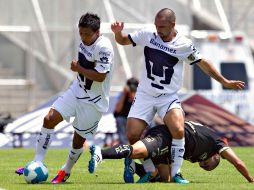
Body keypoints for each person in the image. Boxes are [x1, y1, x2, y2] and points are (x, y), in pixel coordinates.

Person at [110, 8, 245, 183]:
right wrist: (118, 33)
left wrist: (224, 81)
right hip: (145, 94)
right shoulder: (148, 34)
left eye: (162, 26)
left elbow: (203, 63)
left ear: (173, 25)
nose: (158, 30)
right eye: (156, 25)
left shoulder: (184, 44)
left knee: (178, 130)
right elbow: (122, 41)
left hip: (167, 96)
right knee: (132, 135)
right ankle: (150, 170)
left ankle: (176, 174)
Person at [15, 12, 114, 184]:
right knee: (49, 119)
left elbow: (100, 77)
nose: (83, 38)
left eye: (87, 34)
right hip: (76, 91)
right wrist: (79, 69)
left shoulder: (104, 47)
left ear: (98, 32)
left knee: (78, 138)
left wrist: (78, 69)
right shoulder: (84, 40)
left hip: (94, 102)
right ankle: (37, 161)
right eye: (81, 33)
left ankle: (65, 171)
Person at [88, 121, 254, 183]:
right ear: (217, 155)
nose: (203, 166)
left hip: (169, 149)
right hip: (165, 136)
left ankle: (133, 165)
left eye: (204, 168)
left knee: (164, 179)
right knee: (137, 151)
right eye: (207, 164)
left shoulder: (202, 149)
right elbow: (238, 162)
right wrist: (250, 179)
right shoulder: (217, 143)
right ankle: (100, 153)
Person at [114, 77, 139, 144]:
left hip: (135, 118)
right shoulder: (122, 94)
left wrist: (132, 94)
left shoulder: (140, 94)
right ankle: (125, 145)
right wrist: (124, 94)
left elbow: (137, 106)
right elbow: (117, 110)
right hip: (124, 118)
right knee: (119, 119)